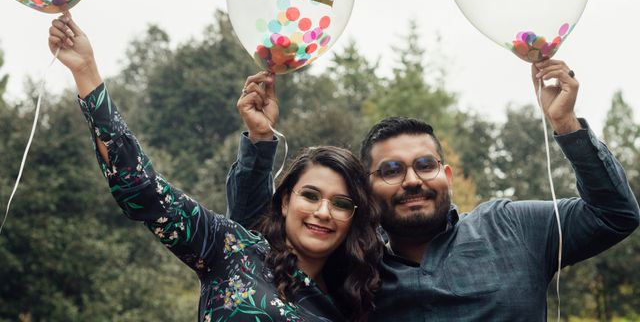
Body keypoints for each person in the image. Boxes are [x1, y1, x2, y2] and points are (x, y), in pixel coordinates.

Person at [228, 58, 640, 320]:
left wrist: (566, 125)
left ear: (446, 173)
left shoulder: (513, 227)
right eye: (390, 170)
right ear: (367, 191)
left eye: (424, 165)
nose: (411, 180)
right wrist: (261, 140)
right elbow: (251, 239)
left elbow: (615, 215)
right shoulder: (349, 263)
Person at [48, 14, 381, 322]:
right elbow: (141, 189)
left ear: (353, 217)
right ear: (285, 201)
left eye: (340, 204)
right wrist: (86, 71)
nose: (323, 212)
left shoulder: (352, 307)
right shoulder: (232, 248)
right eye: (311, 196)